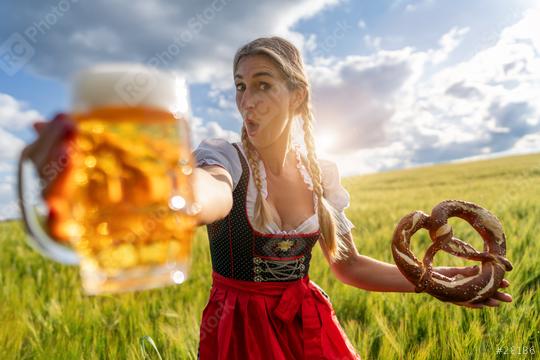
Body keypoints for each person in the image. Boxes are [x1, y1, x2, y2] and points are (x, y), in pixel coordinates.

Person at [27, 36, 512, 360]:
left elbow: (348, 266)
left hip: (306, 324)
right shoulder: (226, 157)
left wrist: (434, 279)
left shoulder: (321, 175)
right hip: (235, 331)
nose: (247, 101)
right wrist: (151, 186)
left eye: (262, 85)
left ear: (296, 95)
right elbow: (206, 194)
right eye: (241, 87)